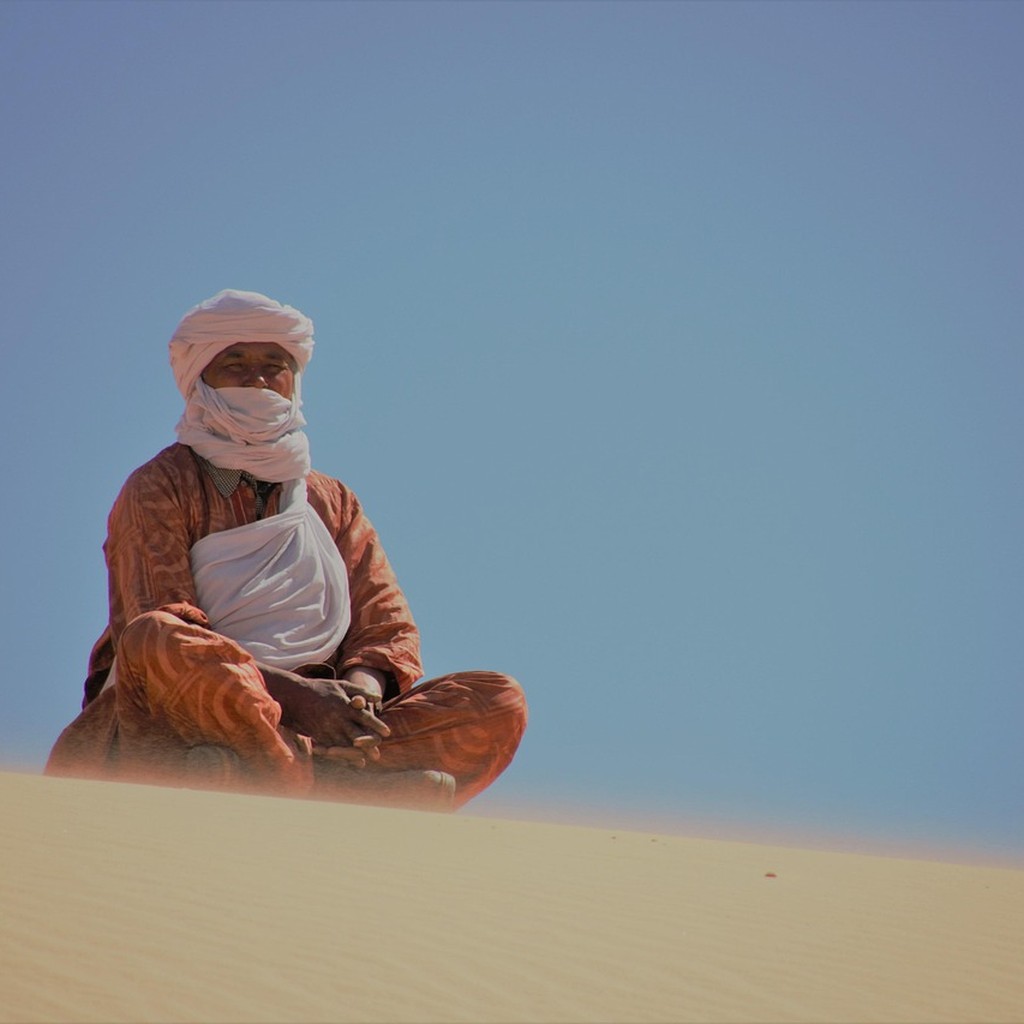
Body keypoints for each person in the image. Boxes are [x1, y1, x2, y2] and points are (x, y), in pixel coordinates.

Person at [46, 289, 527, 811]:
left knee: (498, 700)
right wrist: (296, 698)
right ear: (200, 377)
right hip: (202, 709)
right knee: (159, 640)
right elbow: (158, 623)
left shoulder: (331, 500)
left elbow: (385, 626)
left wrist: (358, 696)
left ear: (294, 381)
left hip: (328, 717)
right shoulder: (159, 486)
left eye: (274, 365)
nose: (258, 378)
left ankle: (290, 771)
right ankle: (331, 783)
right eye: (236, 363)